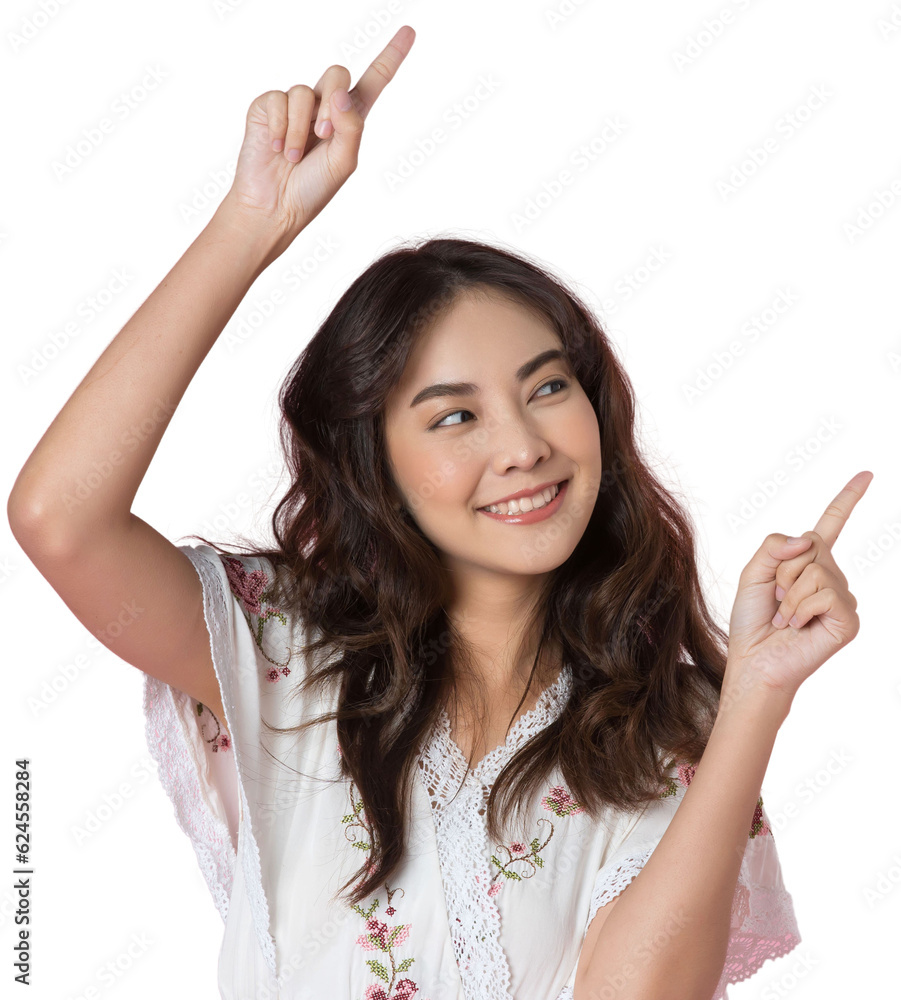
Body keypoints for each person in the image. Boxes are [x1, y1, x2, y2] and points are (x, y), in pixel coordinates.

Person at [7, 22, 871, 1000]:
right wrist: (250, 224)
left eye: (548, 388)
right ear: (376, 461)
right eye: (454, 414)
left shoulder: (667, 728)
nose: (523, 446)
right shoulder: (284, 650)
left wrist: (756, 696)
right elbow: (59, 519)